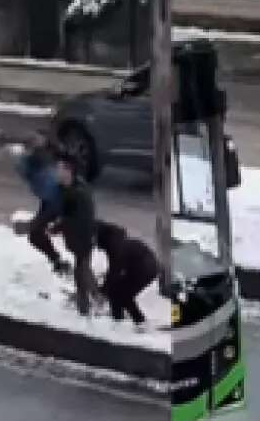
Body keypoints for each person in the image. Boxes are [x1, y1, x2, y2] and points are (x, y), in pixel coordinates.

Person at [15, 133, 68, 274]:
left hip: (58, 203)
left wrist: (29, 225)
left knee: (37, 234)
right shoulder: (45, 159)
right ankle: (59, 263)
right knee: (36, 234)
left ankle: (78, 278)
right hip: (53, 200)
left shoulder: (40, 166)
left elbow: (24, 170)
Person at [53, 157, 98, 316]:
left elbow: (75, 219)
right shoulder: (68, 188)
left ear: (68, 172)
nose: (56, 172)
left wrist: (56, 228)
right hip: (77, 239)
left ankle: (84, 308)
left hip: (82, 239)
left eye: (59, 169)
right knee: (84, 269)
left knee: (81, 273)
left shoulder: (78, 194)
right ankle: (97, 297)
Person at [95, 221, 158, 326]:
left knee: (123, 295)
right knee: (117, 291)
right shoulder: (115, 242)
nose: (97, 246)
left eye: (97, 242)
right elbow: (114, 270)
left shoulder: (115, 247)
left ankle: (137, 322)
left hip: (144, 270)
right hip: (142, 267)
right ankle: (120, 318)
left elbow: (114, 271)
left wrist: (102, 292)